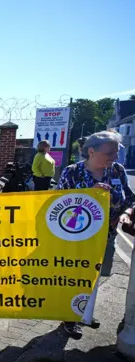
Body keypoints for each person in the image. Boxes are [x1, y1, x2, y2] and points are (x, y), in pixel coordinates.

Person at [57, 131, 135, 339]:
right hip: (77, 239)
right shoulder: (71, 173)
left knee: (96, 274)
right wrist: (89, 193)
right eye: (110, 153)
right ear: (91, 152)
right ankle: (70, 318)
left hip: (107, 235)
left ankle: (85, 312)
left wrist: (125, 215)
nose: (115, 157)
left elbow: (130, 199)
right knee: (75, 277)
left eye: (117, 152)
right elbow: (55, 204)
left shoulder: (117, 171)